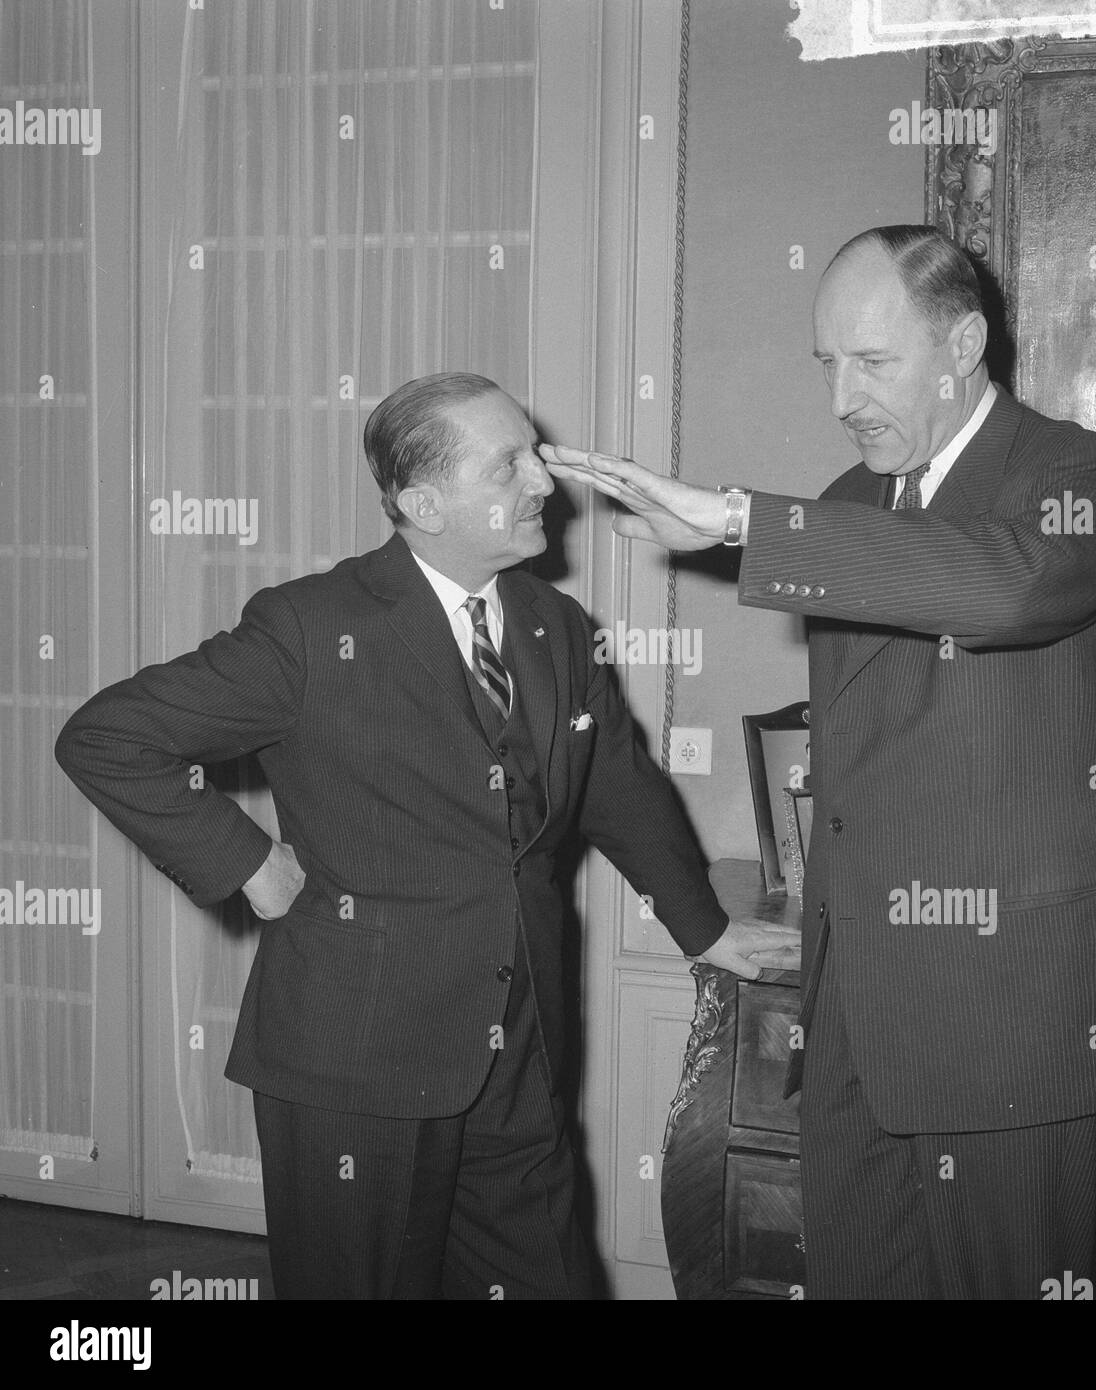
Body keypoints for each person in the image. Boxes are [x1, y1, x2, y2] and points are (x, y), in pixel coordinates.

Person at [55, 372, 799, 1300]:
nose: (544, 483)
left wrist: (705, 925)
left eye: (535, 452)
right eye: (510, 465)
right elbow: (106, 737)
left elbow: (619, 786)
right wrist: (247, 864)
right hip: (353, 1071)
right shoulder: (308, 628)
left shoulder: (551, 625)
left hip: (516, 1051)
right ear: (423, 503)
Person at [544, 226, 1096, 1300]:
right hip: (857, 1016)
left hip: (1009, 1013)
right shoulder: (851, 496)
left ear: (962, 343)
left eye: (872, 363)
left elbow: (1001, 587)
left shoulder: (1088, 474)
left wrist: (740, 519)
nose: (841, 398)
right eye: (827, 364)